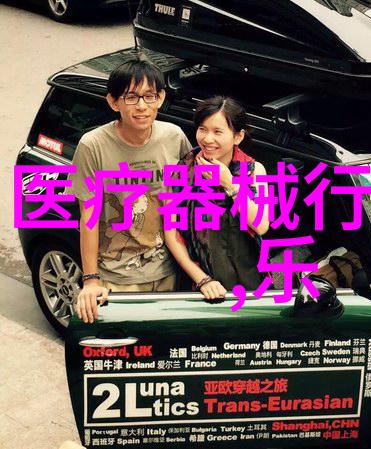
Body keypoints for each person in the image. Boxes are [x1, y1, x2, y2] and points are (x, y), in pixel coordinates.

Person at [67, 59, 192, 323]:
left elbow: (188, 199)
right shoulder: (93, 146)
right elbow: (88, 217)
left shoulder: (174, 137)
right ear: (114, 102)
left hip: (169, 270)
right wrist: (91, 280)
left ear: (160, 98)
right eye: (131, 97)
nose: (142, 106)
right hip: (118, 277)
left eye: (149, 96)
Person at [165, 96, 269, 299]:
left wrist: (229, 183)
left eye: (217, 132)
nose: (207, 139)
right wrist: (203, 280)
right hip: (202, 288)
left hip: (251, 284)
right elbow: (171, 234)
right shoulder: (181, 171)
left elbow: (261, 225)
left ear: (238, 137)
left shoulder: (254, 170)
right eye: (202, 129)